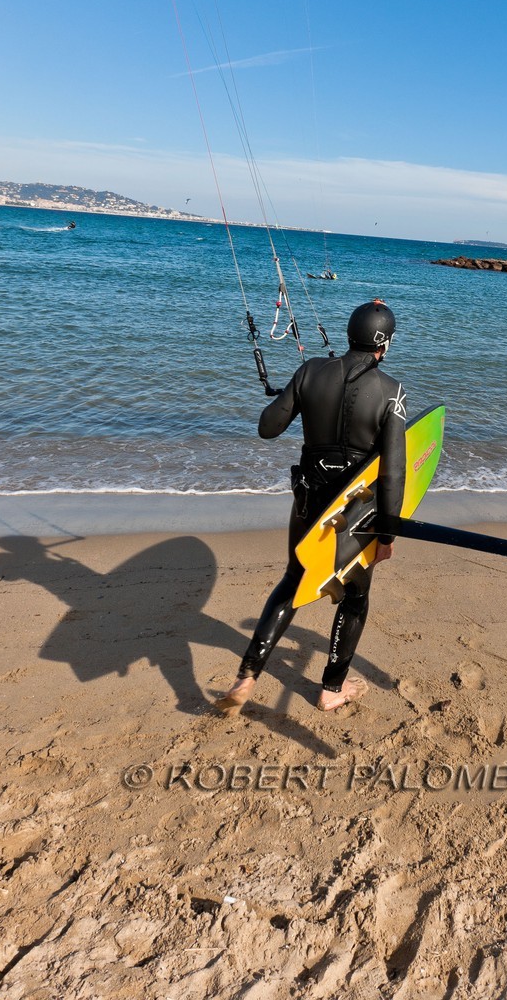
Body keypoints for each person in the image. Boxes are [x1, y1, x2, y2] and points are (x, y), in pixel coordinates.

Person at [216, 299, 406, 714]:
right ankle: (331, 689)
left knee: (292, 581)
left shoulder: (309, 371)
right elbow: (393, 474)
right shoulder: (392, 393)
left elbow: (268, 428)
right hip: (357, 515)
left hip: (308, 503)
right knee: (355, 597)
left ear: (350, 333)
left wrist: (295, 392)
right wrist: (387, 535)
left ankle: (246, 678)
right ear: (385, 345)